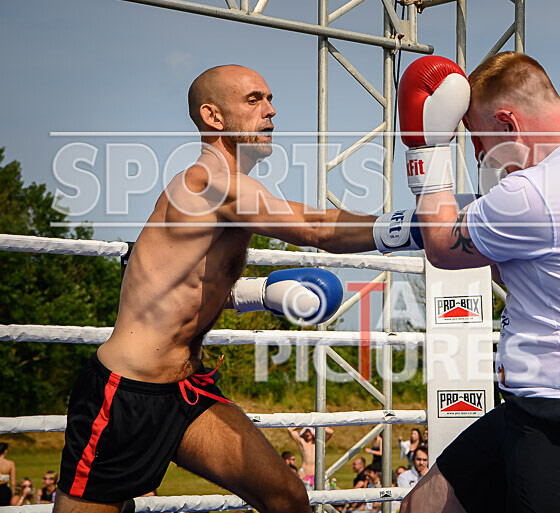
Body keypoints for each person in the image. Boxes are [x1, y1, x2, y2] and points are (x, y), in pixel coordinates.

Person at [54, 64, 388, 513]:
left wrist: (259, 295)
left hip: (187, 391)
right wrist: (416, 224)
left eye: (269, 99)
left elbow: (181, 284)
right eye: (254, 100)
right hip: (126, 396)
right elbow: (316, 229)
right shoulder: (207, 183)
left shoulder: (233, 192)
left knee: (287, 497)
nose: (270, 111)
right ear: (213, 117)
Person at [398, 52, 560, 513]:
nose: (480, 156)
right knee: (426, 505)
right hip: (550, 405)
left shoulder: (537, 192)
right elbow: (527, 264)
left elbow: (441, 244)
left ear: (507, 123)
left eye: (479, 140)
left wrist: (427, 148)